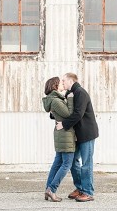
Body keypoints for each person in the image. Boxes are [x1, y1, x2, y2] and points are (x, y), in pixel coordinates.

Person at [55, 72, 99, 203]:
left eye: (63, 81)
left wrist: (63, 125)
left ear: (70, 81)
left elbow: (78, 114)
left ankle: (88, 192)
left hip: (87, 133)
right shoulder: (70, 94)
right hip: (77, 134)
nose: (62, 83)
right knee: (73, 161)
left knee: (86, 163)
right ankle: (80, 188)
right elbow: (67, 111)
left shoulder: (80, 93)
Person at [42, 76, 76, 202]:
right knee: (67, 163)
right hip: (65, 135)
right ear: (55, 86)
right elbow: (68, 114)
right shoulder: (56, 100)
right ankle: (52, 189)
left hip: (61, 133)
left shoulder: (54, 99)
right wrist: (71, 100)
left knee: (57, 163)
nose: (63, 84)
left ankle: (47, 190)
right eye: (60, 83)